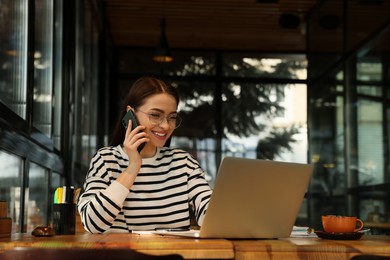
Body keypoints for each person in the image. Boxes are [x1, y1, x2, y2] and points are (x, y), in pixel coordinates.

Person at [77, 77, 212, 233]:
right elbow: (92, 223)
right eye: (155, 115)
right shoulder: (106, 160)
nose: (166, 125)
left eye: (172, 117)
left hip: (174, 255)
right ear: (131, 114)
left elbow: (211, 215)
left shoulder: (184, 163)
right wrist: (133, 166)